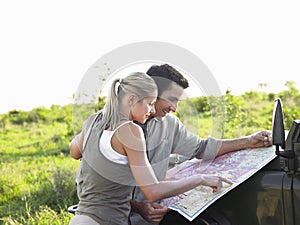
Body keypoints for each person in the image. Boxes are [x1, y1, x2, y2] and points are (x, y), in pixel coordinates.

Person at [70, 65, 272, 225]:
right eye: (172, 99)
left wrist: (247, 141)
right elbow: (151, 190)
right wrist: (200, 179)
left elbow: (202, 149)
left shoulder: (96, 122)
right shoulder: (127, 130)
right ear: (150, 93)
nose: (174, 108)